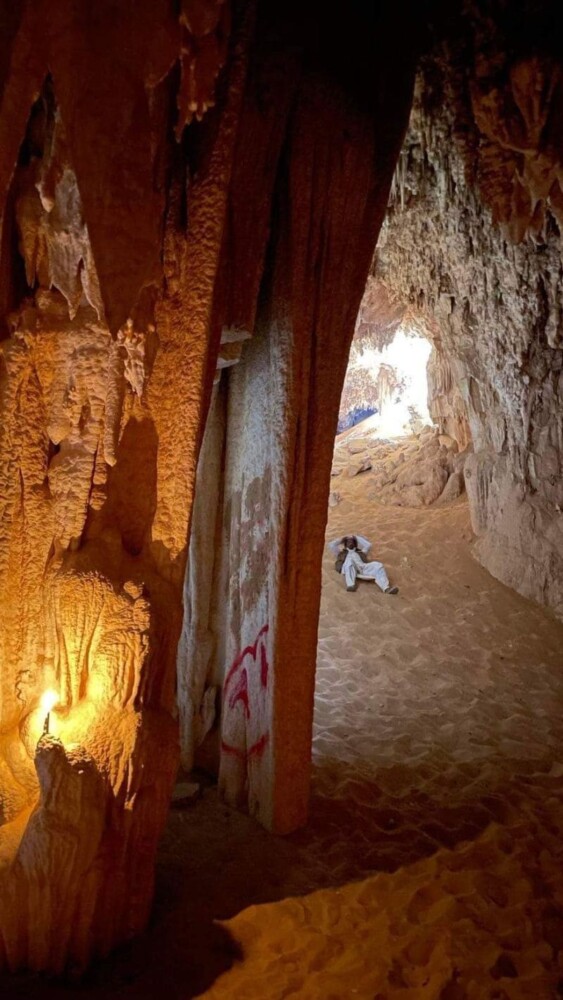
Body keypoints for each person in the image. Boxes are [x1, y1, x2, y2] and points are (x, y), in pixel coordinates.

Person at [327, 534, 399, 594]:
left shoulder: (361, 552)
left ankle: (386, 588)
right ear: (345, 544)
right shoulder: (341, 553)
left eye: (352, 541)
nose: (350, 542)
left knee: (378, 565)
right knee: (349, 560)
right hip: (348, 569)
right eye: (348, 541)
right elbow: (331, 545)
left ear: (355, 543)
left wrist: (356, 537)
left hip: (362, 568)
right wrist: (342, 539)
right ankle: (351, 585)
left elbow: (368, 545)